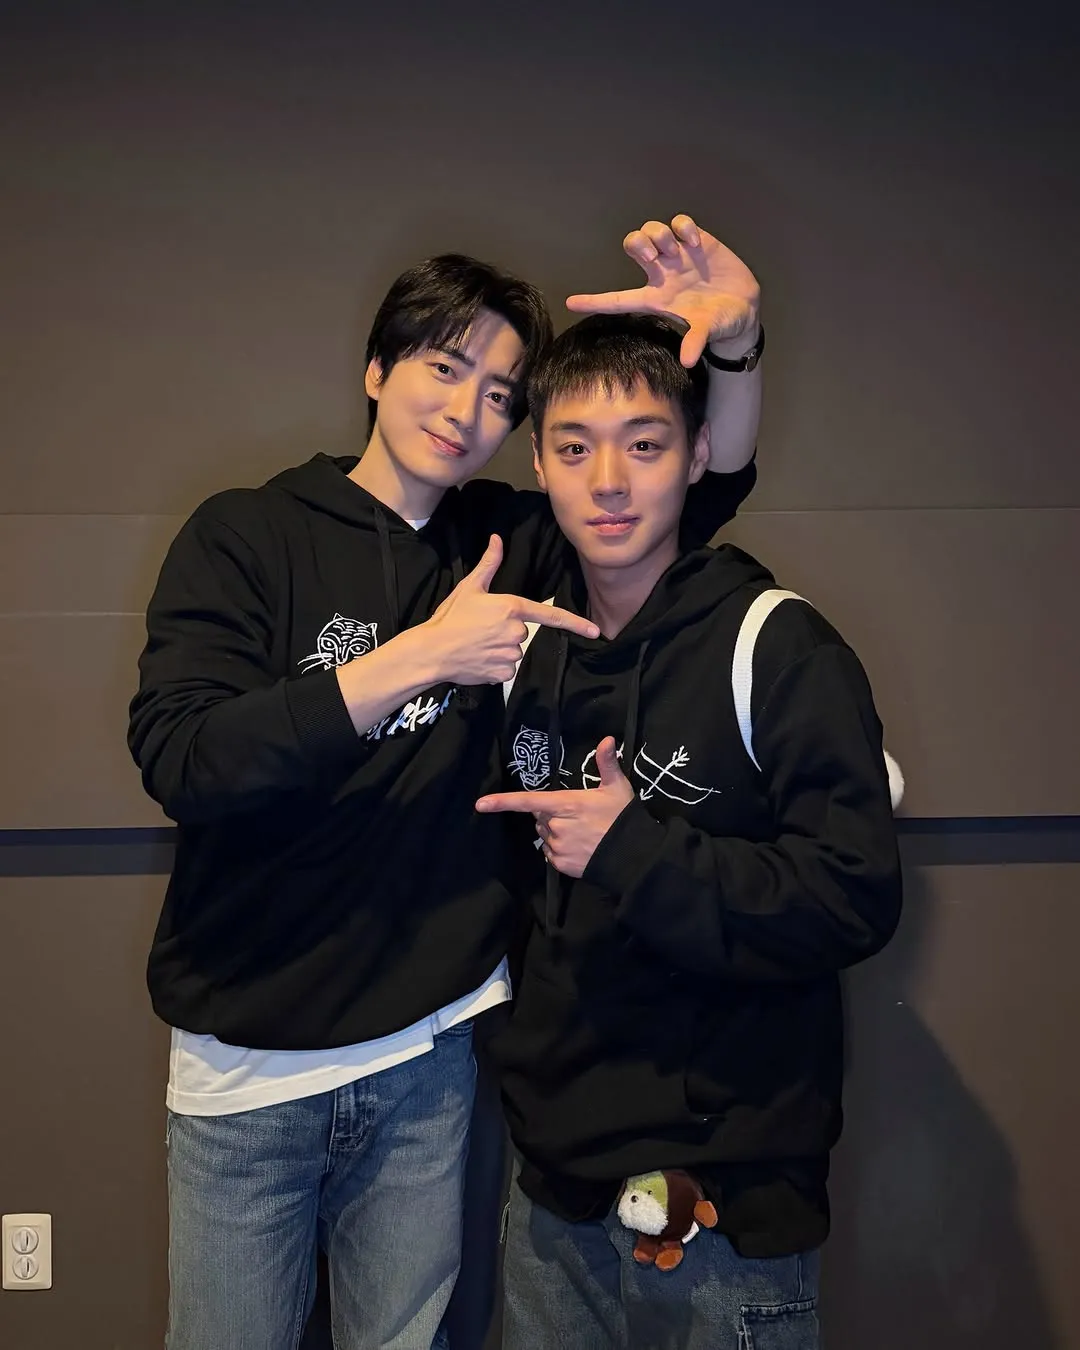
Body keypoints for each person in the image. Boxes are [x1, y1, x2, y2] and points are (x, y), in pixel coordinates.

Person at [127, 216, 764, 1350]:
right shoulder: (245, 534)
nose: (467, 408)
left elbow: (694, 494)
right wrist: (419, 657)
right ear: (377, 369)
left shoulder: (508, 538)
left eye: (501, 393)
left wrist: (738, 347)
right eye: (444, 366)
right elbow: (185, 757)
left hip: (429, 1060)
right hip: (248, 1071)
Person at [477, 313, 903, 1349]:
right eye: (574, 448)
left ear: (699, 453)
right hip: (554, 1197)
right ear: (539, 464)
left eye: (645, 444)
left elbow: (852, 894)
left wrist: (632, 849)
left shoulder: (777, 643)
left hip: (729, 1208)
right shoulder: (524, 651)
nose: (608, 482)